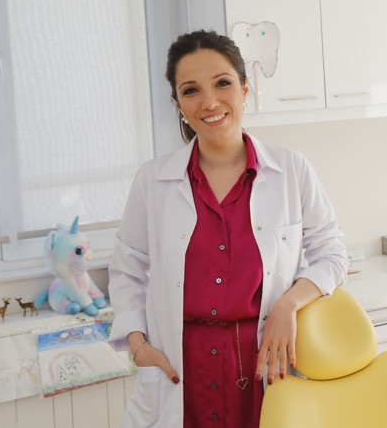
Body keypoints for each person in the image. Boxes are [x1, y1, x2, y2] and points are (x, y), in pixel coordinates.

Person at [108, 30, 349, 427]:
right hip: (180, 372)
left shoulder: (291, 169)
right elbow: (127, 269)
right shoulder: (153, 180)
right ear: (178, 104)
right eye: (191, 90)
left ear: (245, 89)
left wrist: (288, 304)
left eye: (222, 83)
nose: (209, 102)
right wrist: (137, 344)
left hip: (264, 365)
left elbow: (332, 254)